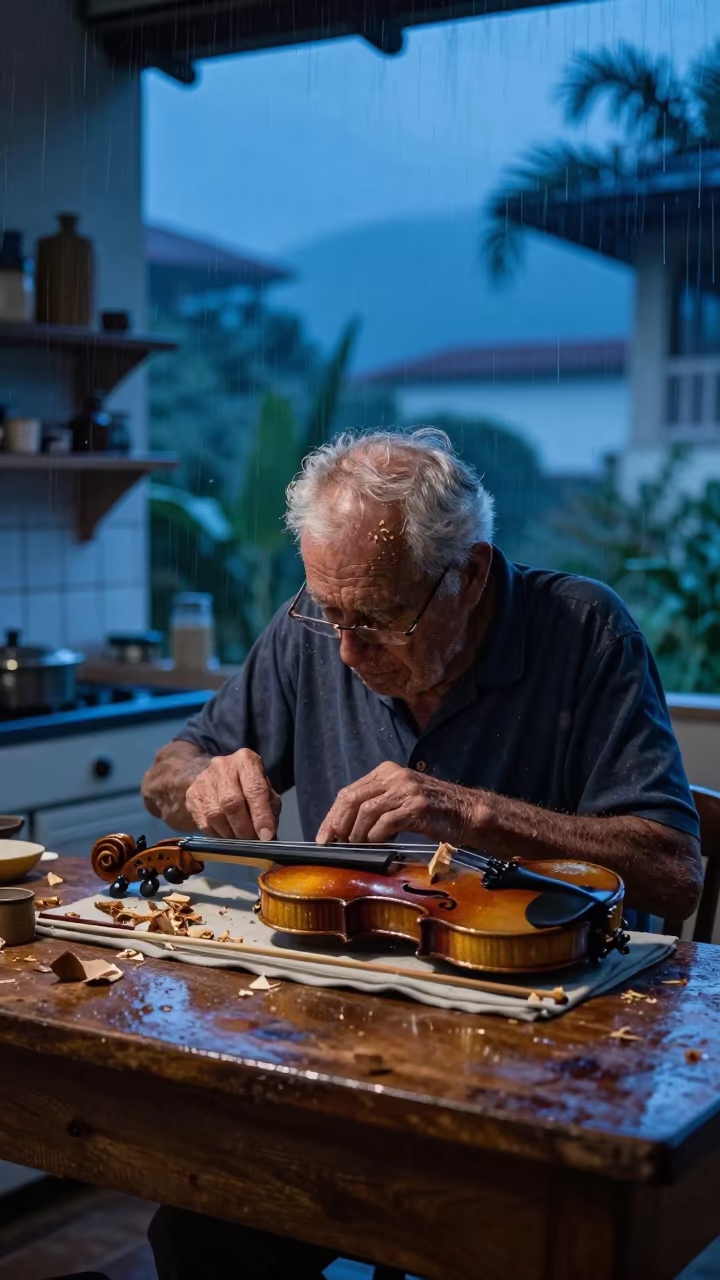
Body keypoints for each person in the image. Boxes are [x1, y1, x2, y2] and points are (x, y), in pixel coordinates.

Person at [143, 428, 702, 1280]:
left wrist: (469, 812)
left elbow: (672, 866)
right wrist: (201, 785)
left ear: (469, 575)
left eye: (377, 619)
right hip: (350, 1038)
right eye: (329, 612)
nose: (347, 651)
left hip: (544, 1057)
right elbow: (168, 771)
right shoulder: (317, 628)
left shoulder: (585, 630)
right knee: (201, 1221)